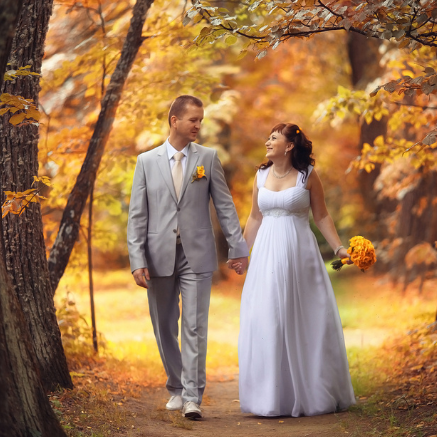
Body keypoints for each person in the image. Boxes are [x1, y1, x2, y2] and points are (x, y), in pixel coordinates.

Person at [127, 95, 249, 420]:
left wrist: (237, 247)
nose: (198, 125)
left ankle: (193, 397)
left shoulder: (208, 159)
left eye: (201, 120)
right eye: (193, 119)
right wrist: (136, 258)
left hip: (197, 254)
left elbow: (224, 206)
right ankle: (176, 388)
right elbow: (137, 216)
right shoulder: (146, 162)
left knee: (195, 326)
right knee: (165, 326)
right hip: (157, 255)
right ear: (174, 121)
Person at [238, 123, 356, 417]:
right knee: (268, 318)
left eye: (274, 138)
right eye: (268, 137)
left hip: (299, 254)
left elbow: (322, 215)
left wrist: (340, 248)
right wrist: (240, 252)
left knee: (303, 318)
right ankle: (272, 398)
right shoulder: (260, 175)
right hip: (265, 255)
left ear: (289, 146)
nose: (267, 141)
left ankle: (312, 391)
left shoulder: (307, 176)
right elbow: (254, 218)